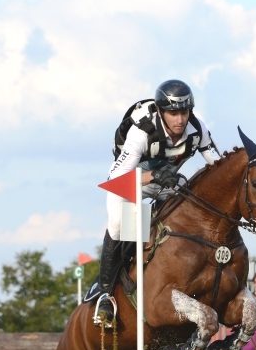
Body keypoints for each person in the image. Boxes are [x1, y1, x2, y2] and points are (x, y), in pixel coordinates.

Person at [93, 79, 220, 327]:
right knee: (120, 224)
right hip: (131, 180)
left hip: (169, 182)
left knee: (194, 209)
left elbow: (216, 164)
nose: (180, 119)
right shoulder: (142, 131)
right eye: (173, 112)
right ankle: (105, 295)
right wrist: (153, 175)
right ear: (161, 112)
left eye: (184, 112)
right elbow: (116, 178)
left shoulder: (198, 128)